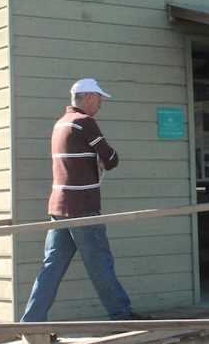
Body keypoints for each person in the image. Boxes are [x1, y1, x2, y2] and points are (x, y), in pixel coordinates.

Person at [21, 78, 138, 322]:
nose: (100, 105)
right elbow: (111, 158)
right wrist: (102, 160)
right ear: (88, 98)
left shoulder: (61, 124)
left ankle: (32, 322)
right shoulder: (85, 122)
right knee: (100, 263)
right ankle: (121, 315)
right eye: (99, 99)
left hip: (59, 207)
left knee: (51, 266)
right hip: (83, 207)